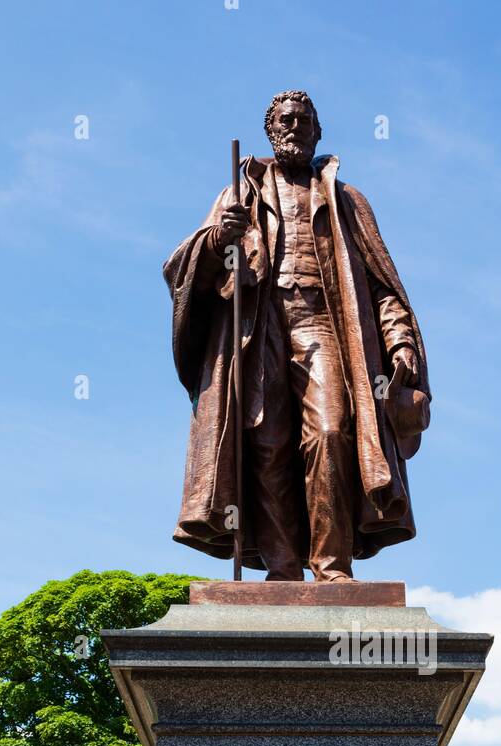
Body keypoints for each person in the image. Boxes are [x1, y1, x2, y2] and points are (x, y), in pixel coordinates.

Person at [164, 89, 430, 581]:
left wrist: (401, 342)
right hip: (259, 323)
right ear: (271, 129)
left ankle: (332, 566)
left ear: (318, 132)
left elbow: (381, 284)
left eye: (304, 122)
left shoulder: (345, 199)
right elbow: (180, 269)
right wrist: (220, 237)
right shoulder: (238, 193)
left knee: (331, 431)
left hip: (325, 325)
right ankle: (284, 569)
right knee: (267, 443)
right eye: (286, 121)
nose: (294, 129)